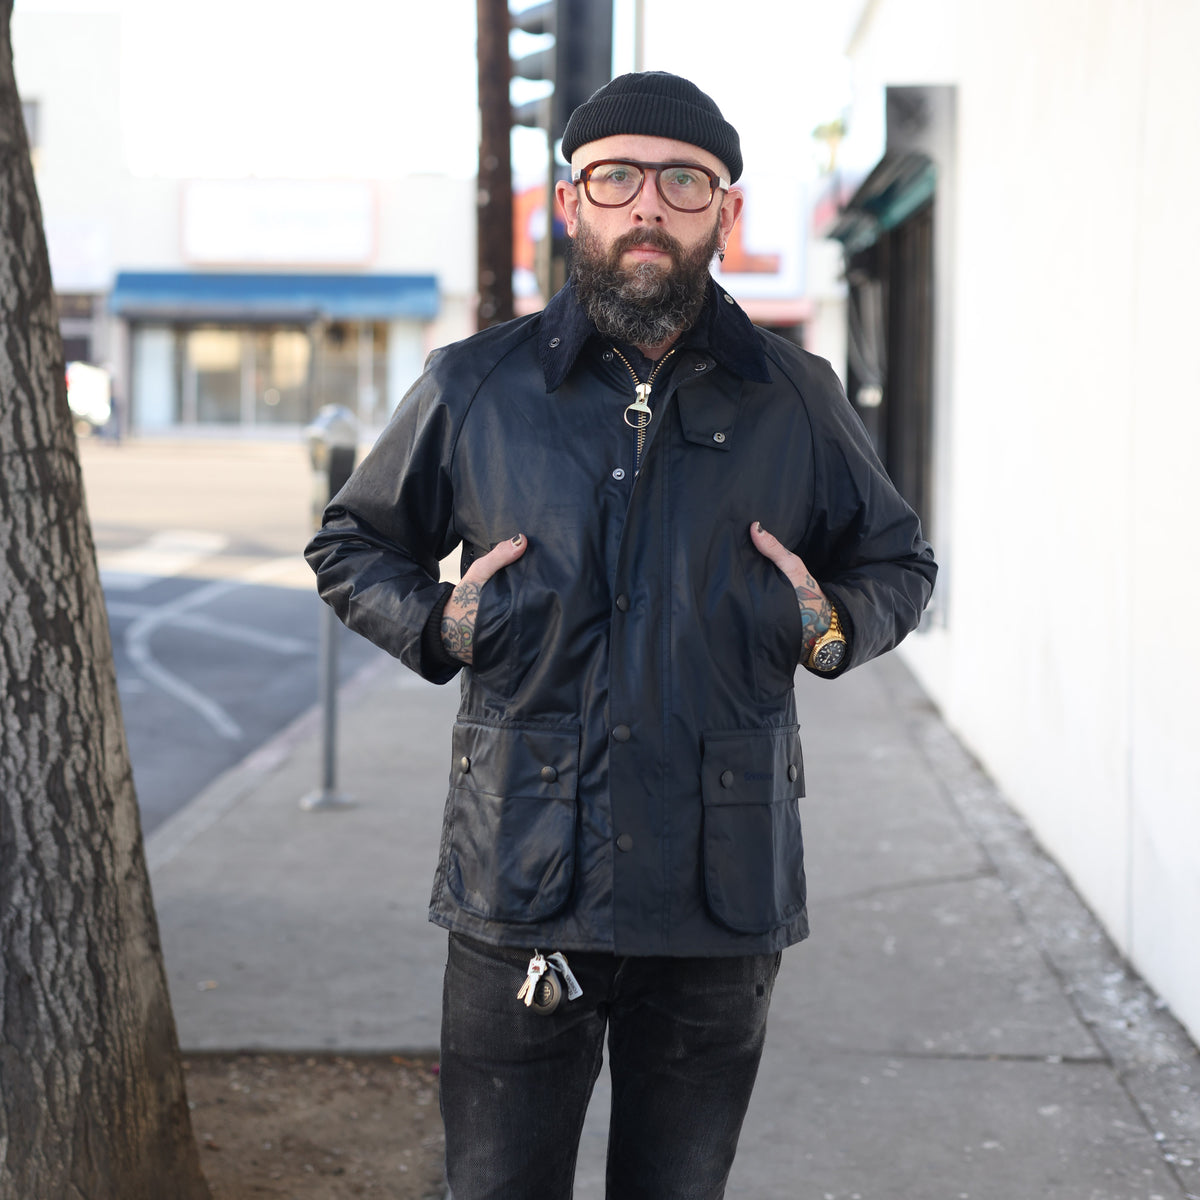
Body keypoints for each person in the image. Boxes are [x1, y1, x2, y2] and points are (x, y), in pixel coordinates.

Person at [306, 70, 936, 1200]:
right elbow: (352, 545)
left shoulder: (797, 396)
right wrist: (438, 623)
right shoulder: (475, 387)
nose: (649, 204)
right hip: (522, 871)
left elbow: (899, 560)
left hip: (721, 889)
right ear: (573, 204)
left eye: (683, 181)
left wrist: (831, 621)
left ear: (724, 215)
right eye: (618, 178)